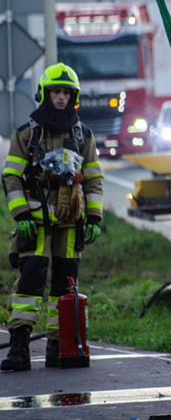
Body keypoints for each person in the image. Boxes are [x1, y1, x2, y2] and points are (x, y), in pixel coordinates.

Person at [1, 63, 103, 371]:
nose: (61, 98)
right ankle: (19, 347)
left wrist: (95, 217)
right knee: (29, 283)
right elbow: (11, 177)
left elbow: (94, 179)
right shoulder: (27, 134)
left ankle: (60, 348)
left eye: (66, 93)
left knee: (64, 287)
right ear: (44, 94)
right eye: (55, 92)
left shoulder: (83, 135)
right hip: (35, 224)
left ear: (74, 98)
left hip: (70, 226)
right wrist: (21, 215)